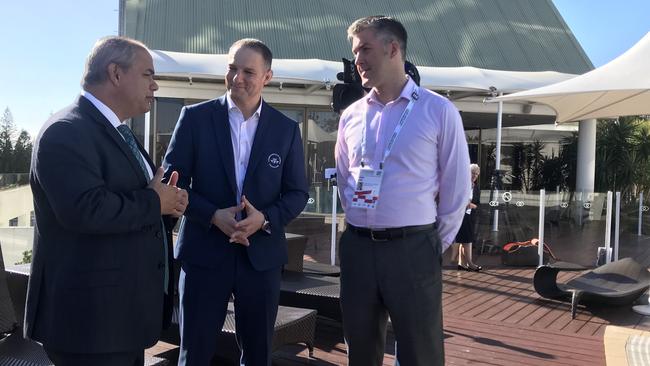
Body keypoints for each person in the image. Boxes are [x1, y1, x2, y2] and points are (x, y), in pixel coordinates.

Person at [25, 36, 188, 365]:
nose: (155, 86)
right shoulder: (66, 131)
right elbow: (85, 210)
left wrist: (167, 207)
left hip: (118, 321)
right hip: (89, 326)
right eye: (147, 74)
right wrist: (154, 203)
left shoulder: (118, 133)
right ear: (115, 73)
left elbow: (136, 202)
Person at [163, 38, 308, 365]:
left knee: (258, 355)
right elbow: (171, 183)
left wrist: (264, 218)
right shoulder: (194, 118)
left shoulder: (285, 130)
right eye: (231, 68)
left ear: (267, 77)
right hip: (204, 253)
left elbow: (298, 193)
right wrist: (212, 215)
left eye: (248, 71)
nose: (236, 77)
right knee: (194, 354)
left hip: (261, 257)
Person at [335, 16, 471, 366]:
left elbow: (457, 187)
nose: (358, 60)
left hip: (412, 249)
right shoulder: (350, 116)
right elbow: (347, 180)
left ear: (392, 48)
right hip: (358, 248)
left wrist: (430, 244)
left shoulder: (438, 111)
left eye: (365, 48)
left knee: (419, 353)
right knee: (360, 351)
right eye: (354, 52)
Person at [453, 163, 482, 271]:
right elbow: (456, 199)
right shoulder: (461, 185)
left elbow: (477, 203)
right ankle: (470, 263)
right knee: (467, 240)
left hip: (469, 216)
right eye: (473, 173)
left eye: (477, 174)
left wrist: (471, 205)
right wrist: (465, 204)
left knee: (464, 239)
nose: (475, 176)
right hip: (460, 216)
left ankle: (462, 263)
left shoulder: (476, 187)